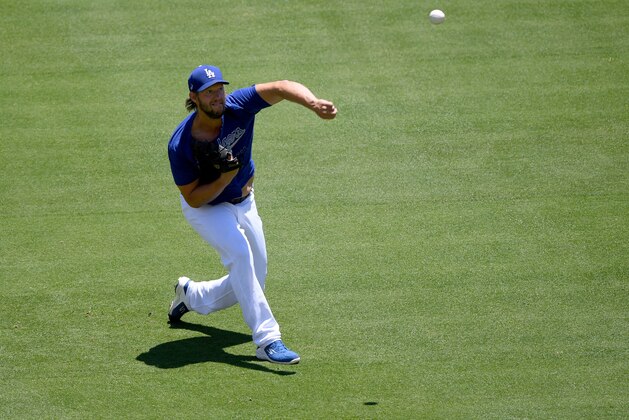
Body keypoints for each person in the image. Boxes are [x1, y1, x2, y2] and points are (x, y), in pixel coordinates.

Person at [167, 65, 337, 364]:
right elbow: (192, 198)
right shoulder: (181, 144)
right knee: (240, 256)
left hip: (245, 200)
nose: (217, 97)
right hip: (207, 209)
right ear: (194, 97)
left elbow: (283, 86)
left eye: (219, 89)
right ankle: (267, 340)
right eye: (209, 93)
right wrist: (221, 179)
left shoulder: (238, 105)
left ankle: (191, 295)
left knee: (253, 275)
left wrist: (313, 103)